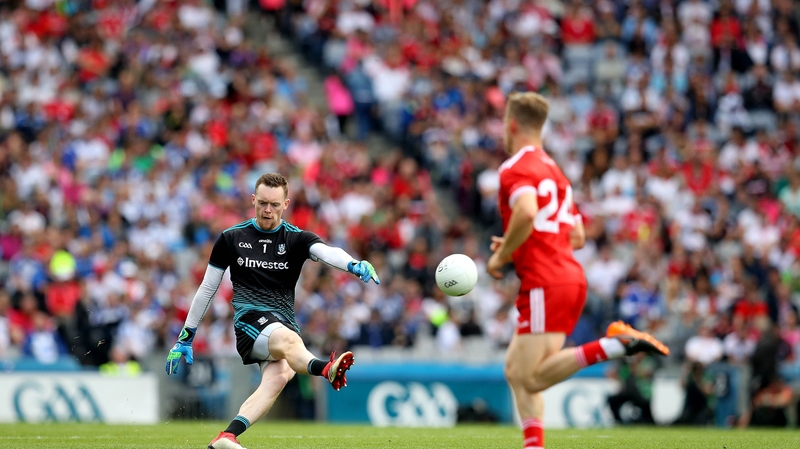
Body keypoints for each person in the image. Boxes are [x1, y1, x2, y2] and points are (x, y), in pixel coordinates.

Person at [486, 92, 669, 449]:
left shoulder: (514, 168)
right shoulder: (557, 173)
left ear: (512, 125)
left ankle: (611, 346)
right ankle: (533, 445)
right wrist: (519, 241)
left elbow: (526, 212)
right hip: (567, 275)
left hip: (544, 281)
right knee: (515, 371)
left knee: (531, 377)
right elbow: (578, 236)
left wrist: (502, 255)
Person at [165, 173, 380, 449]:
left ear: (286, 204)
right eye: (263, 203)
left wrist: (353, 264)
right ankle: (327, 368)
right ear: (253, 200)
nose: (268, 210)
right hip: (249, 323)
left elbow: (327, 252)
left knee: (279, 376)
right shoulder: (231, 238)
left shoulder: (296, 239)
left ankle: (226, 437)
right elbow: (207, 288)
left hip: (283, 322)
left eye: (275, 205)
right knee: (290, 342)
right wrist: (186, 336)